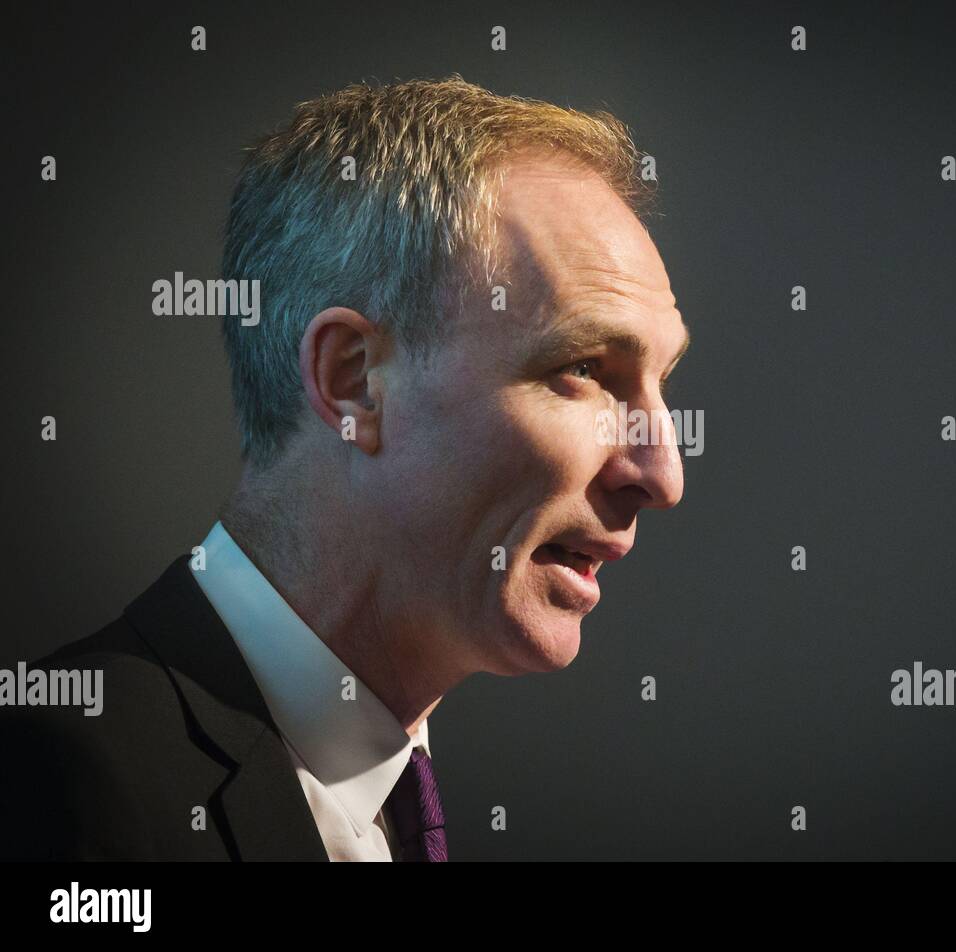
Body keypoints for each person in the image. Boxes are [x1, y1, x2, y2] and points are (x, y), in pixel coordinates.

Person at [0, 76, 689, 861]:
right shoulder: (59, 788)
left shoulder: (390, 796)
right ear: (353, 381)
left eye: (664, 383)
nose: (662, 474)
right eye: (586, 369)